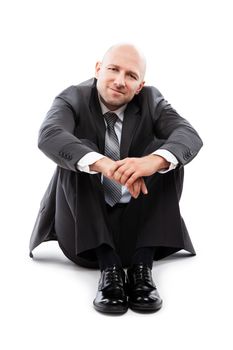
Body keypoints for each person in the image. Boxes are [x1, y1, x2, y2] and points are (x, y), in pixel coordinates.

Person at [29, 43, 203, 315]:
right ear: (98, 69)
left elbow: (188, 135)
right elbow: (49, 135)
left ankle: (142, 268)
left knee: (167, 155)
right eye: (113, 69)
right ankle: (108, 268)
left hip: (139, 232)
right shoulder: (71, 98)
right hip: (82, 236)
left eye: (131, 76)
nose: (120, 81)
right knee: (79, 154)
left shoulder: (151, 100)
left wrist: (152, 162)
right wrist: (104, 165)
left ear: (140, 85)